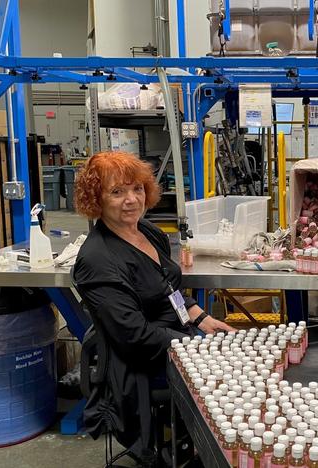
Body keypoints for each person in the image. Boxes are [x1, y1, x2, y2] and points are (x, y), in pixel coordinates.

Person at [72, 151, 234, 462]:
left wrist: (199, 318)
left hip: (173, 337)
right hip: (140, 361)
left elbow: (165, 288)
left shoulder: (147, 231)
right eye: (117, 192)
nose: (131, 199)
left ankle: (197, 448)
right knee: (226, 383)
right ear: (96, 198)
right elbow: (134, 335)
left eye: (137, 188)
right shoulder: (97, 260)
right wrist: (196, 348)